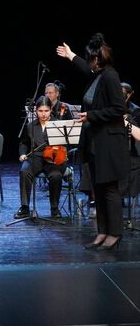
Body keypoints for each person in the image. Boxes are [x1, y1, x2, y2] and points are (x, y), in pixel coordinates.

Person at [57, 32, 130, 250]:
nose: (89, 62)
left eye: (90, 58)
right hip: (95, 142)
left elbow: (119, 108)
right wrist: (71, 56)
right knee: (98, 188)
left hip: (109, 143)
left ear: (97, 59)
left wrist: (92, 116)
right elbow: (85, 69)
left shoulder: (110, 76)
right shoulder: (97, 75)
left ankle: (115, 233)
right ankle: (102, 231)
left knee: (109, 189)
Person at [14, 97, 66, 219]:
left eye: (46, 111)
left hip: (53, 158)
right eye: (40, 111)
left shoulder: (57, 124)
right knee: (24, 171)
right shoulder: (30, 126)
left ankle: (54, 208)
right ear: (36, 111)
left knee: (56, 176)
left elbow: (65, 143)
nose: (43, 114)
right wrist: (22, 153)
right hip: (35, 157)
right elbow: (24, 143)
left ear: (51, 110)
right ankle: (25, 207)